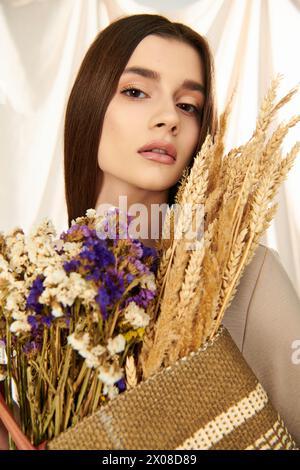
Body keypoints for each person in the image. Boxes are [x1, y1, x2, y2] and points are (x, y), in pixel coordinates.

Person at [1, 13, 299, 449]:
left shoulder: (244, 276)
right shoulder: (36, 291)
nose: (168, 118)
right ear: (90, 103)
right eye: (136, 92)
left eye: (187, 105)